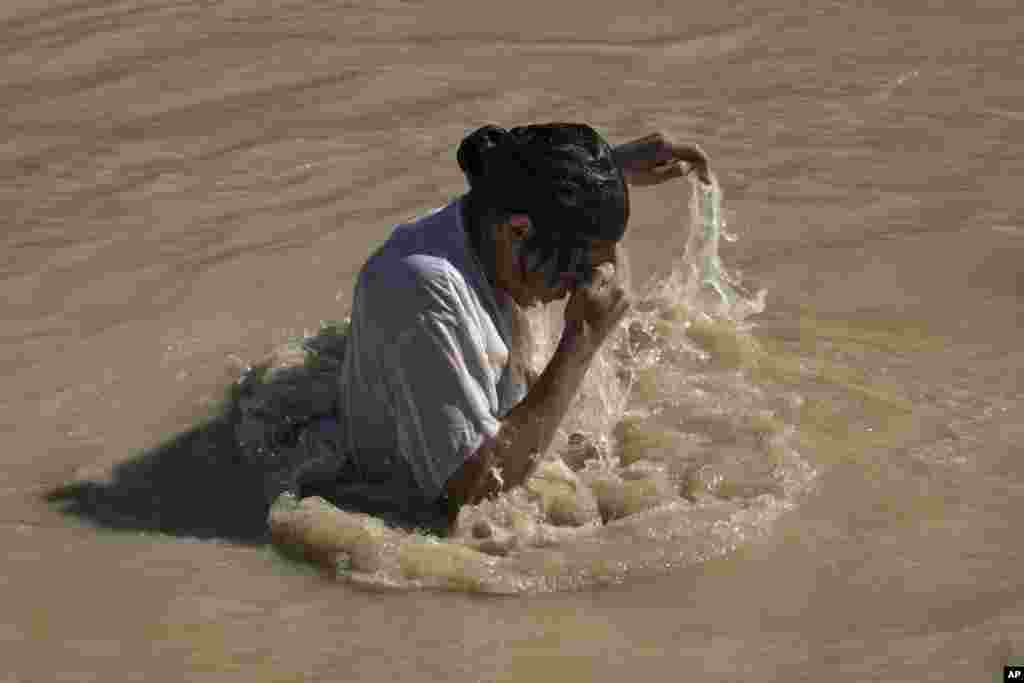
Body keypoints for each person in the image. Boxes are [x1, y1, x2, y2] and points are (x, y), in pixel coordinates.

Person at [296, 123, 711, 535]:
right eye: (576, 267)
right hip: (403, 506)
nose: (580, 286)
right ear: (518, 231)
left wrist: (605, 171)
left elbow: (527, 194)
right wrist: (581, 339)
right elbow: (472, 493)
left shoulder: (489, 223)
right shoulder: (423, 291)